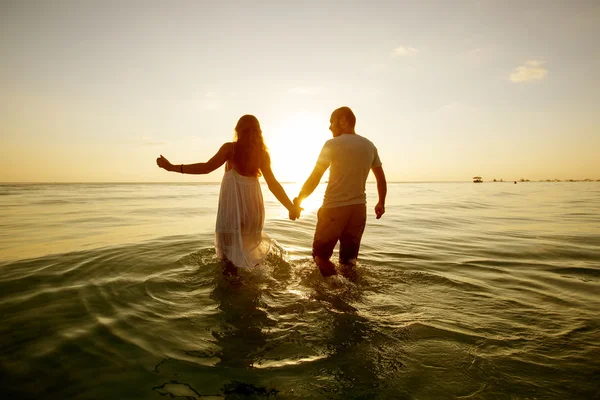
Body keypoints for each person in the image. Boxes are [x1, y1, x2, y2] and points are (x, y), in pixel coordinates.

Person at [156, 114, 301, 271]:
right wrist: (290, 207)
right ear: (259, 132)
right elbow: (273, 184)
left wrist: (172, 167)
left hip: (232, 209)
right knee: (249, 257)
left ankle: (232, 291)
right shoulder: (261, 154)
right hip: (253, 210)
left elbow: (206, 168)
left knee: (228, 261)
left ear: (238, 130)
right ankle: (256, 292)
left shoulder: (230, 149)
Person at [293, 107, 387, 277]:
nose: (330, 127)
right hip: (358, 210)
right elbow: (381, 179)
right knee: (349, 262)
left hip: (334, 209)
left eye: (331, 122)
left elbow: (316, 176)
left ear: (343, 120)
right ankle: (349, 294)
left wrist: (300, 199)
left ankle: (331, 288)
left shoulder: (332, 144)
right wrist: (381, 202)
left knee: (320, 257)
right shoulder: (369, 145)